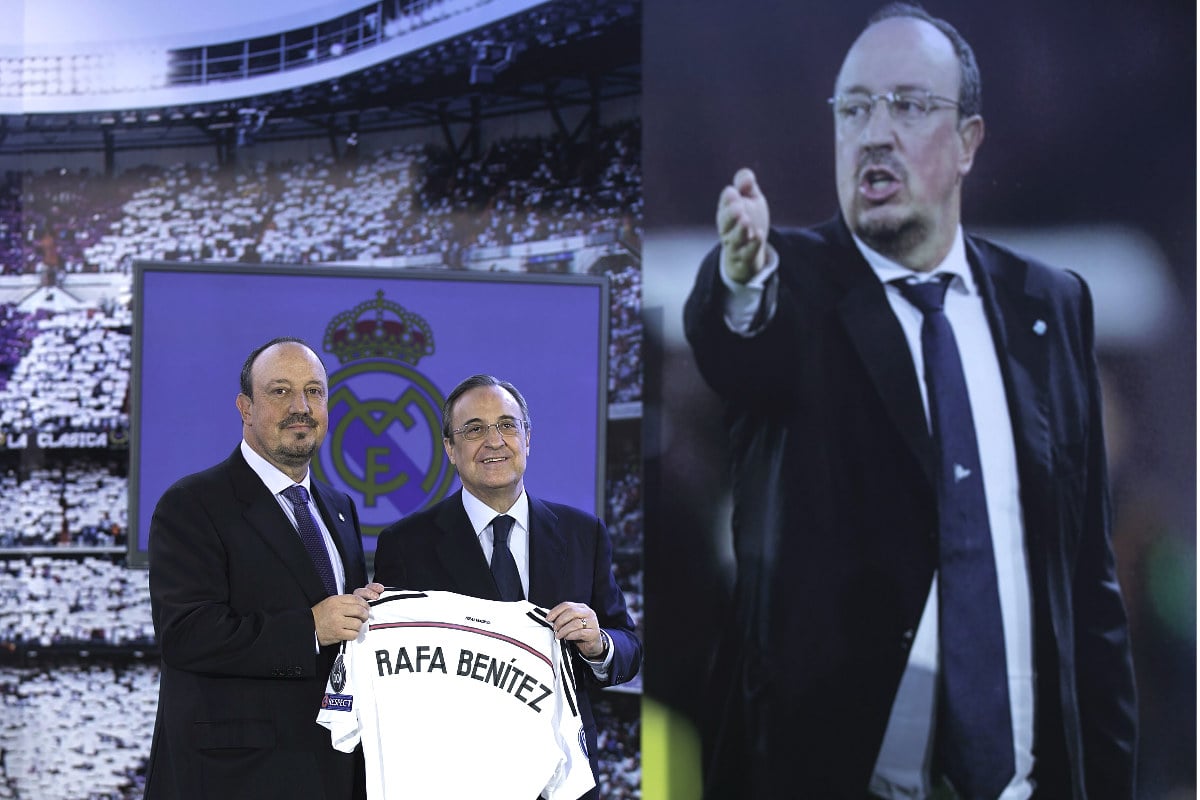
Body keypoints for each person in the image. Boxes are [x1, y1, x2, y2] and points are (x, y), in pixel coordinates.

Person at [683, 4, 1137, 799]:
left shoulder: (1050, 307)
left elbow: (1087, 587)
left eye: (909, 104)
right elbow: (736, 346)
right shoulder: (794, 284)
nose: (875, 131)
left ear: (968, 142)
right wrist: (741, 277)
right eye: (853, 109)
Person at [372, 373, 642, 799]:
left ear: (527, 439)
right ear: (450, 449)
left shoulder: (582, 533)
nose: (493, 440)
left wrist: (599, 645)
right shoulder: (406, 545)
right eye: (474, 429)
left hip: (564, 778)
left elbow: (627, 646)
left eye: (507, 424)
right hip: (456, 778)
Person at [144, 337, 373, 800]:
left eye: (314, 392)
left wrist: (365, 612)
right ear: (245, 407)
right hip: (232, 777)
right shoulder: (191, 504)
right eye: (281, 392)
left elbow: (334, 624)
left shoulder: (339, 507)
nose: (302, 407)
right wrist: (310, 628)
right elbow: (186, 634)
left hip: (332, 769)